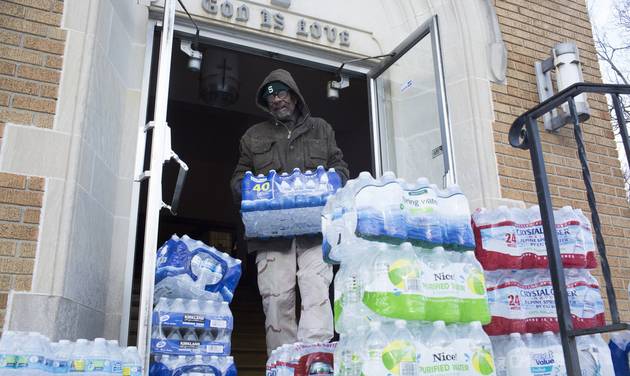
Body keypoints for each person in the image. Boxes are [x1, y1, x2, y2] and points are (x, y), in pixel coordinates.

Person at [230, 69, 349, 355]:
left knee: (316, 293)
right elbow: (238, 179)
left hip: (314, 234)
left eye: (281, 92)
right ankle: (284, 364)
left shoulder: (321, 129)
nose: (276, 100)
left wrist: (331, 182)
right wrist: (251, 189)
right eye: (269, 96)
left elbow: (341, 168)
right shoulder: (253, 136)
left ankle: (314, 361)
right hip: (271, 236)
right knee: (276, 300)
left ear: (294, 95)